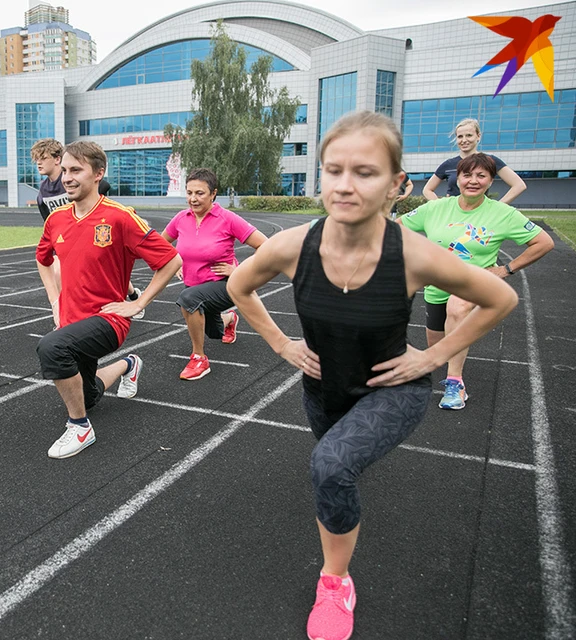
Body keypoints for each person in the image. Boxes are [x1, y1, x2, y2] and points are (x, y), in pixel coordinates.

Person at [226, 111, 518, 640]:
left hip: (394, 386)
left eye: (364, 172)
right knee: (336, 466)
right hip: (323, 384)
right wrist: (281, 344)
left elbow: (500, 298)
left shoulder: (412, 253)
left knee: (331, 466)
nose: (344, 184)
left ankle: (335, 583)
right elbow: (239, 288)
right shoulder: (294, 245)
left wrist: (431, 358)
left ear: (395, 185)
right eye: (333, 170)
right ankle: (344, 476)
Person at [36, 141, 181, 459]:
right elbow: (43, 259)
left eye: (76, 170)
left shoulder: (120, 218)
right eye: (65, 171)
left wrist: (138, 304)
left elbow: (171, 261)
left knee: (51, 349)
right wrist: (54, 301)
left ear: (99, 173)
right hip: (73, 319)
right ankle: (129, 365)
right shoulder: (56, 219)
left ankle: (80, 428)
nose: (68, 178)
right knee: (86, 395)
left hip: (108, 320)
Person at [400, 153, 553, 409]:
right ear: (457, 178)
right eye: (467, 175)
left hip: (474, 282)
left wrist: (506, 269)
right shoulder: (435, 208)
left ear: (491, 181)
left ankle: (456, 384)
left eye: (481, 176)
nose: (473, 181)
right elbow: (397, 227)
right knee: (439, 350)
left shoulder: (503, 213)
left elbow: (544, 242)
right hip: (437, 284)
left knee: (457, 309)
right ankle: (448, 368)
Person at [161, 168, 266, 380]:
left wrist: (240, 270)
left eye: (199, 193)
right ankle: (229, 319)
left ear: (213, 193)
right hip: (195, 284)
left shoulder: (228, 219)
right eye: (189, 193)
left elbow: (267, 246)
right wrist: (175, 261)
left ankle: (199, 358)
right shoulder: (181, 218)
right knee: (213, 331)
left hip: (227, 284)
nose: (193, 198)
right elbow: (160, 245)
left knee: (188, 300)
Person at [31, 138, 145, 319]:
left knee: (108, 270)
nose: (38, 162)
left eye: (43, 158)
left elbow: (103, 187)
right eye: (36, 159)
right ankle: (64, 313)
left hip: (92, 226)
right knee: (62, 272)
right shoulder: (44, 190)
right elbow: (46, 216)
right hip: (67, 232)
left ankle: (131, 295)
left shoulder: (73, 179)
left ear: (57, 159)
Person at [421, 118, 526, 204]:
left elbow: (519, 185)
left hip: (479, 215)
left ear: (478, 136)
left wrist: (497, 207)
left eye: (469, 135)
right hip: (453, 217)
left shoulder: (490, 161)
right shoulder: (448, 164)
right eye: (460, 136)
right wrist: (441, 206)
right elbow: (427, 190)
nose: (464, 140)